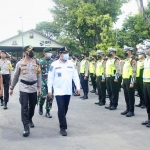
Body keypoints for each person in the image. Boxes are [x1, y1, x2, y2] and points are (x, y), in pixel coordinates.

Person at [9, 45, 41, 137]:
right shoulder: (19, 63)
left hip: (34, 87)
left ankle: (30, 119)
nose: (32, 52)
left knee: (33, 105)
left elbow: (39, 77)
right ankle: (26, 127)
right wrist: (11, 88)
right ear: (25, 52)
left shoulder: (36, 63)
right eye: (30, 51)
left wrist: (39, 88)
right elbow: (15, 77)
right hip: (24, 87)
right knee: (24, 107)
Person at [47, 47, 80, 136]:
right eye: (64, 53)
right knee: (61, 107)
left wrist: (78, 87)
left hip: (68, 90)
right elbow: (50, 78)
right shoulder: (54, 64)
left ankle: (61, 118)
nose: (66, 54)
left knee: (65, 108)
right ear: (60, 54)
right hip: (58, 90)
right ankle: (63, 127)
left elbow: (75, 76)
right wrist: (49, 90)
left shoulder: (71, 64)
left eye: (67, 53)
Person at [121, 46, 137, 117]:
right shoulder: (126, 60)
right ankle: (127, 109)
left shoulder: (132, 60)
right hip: (125, 79)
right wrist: (122, 80)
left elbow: (134, 71)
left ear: (130, 51)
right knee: (126, 95)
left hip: (130, 79)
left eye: (126, 51)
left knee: (130, 96)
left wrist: (132, 82)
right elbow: (124, 71)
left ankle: (131, 110)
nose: (125, 52)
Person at [38, 47, 53, 118]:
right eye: (48, 52)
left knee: (50, 97)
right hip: (43, 82)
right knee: (43, 96)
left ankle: (48, 111)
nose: (50, 53)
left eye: (50, 52)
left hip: (51, 82)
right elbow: (38, 73)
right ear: (44, 53)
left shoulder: (53, 62)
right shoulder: (40, 62)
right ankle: (40, 106)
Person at [142, 42, 150, 127]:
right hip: (145, 82)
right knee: (147, 102)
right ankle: (149, 119)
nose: (147, 50)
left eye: (148, 48)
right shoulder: (146, 59)